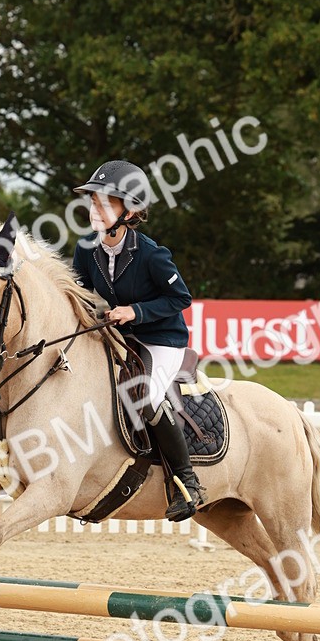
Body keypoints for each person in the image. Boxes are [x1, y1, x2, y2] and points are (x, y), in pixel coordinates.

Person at [71, 159, 204, 521]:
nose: (94, 210)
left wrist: (135, 312)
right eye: (92, 202)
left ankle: (188, 482)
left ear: (129, 210)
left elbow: (181, 299)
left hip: (162, 339)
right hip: (119, 336)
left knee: (147, 396)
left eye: (104, 203)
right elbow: (79, 291)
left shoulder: (151, 254)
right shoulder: (87, 249)